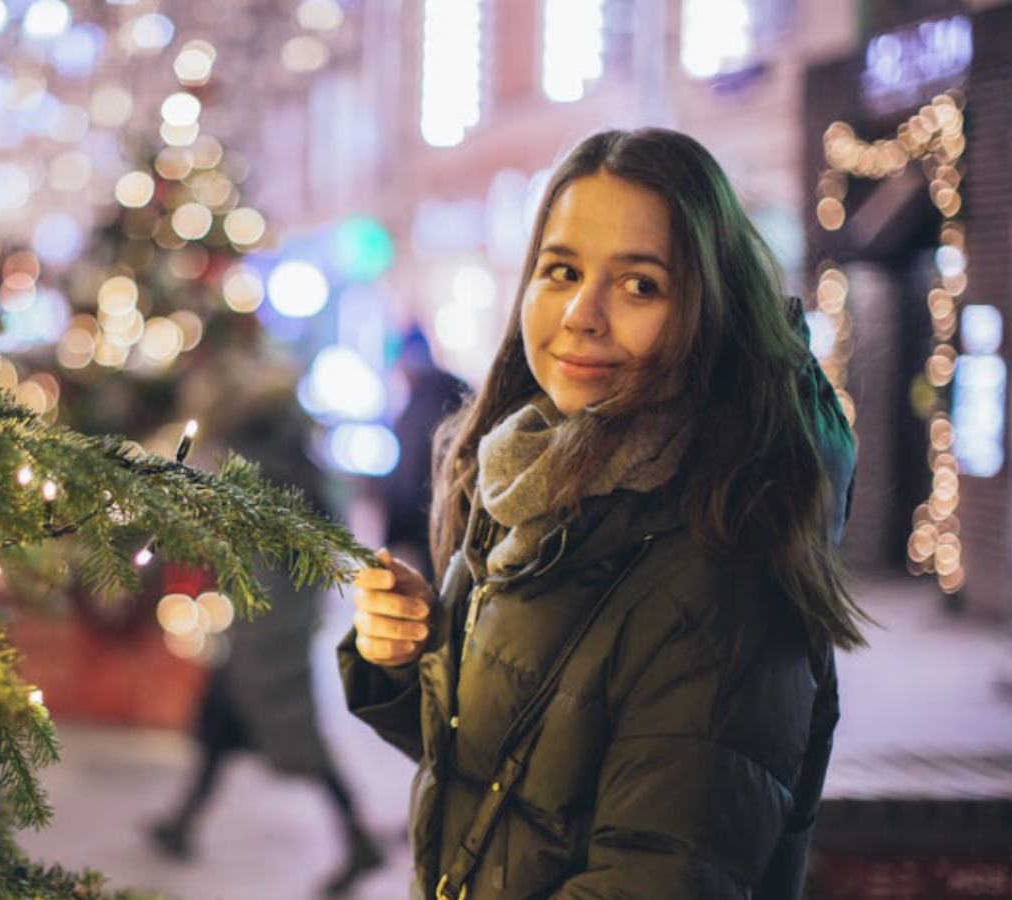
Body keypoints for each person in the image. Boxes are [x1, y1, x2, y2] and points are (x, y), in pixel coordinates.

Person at [339, 128, 870, 899]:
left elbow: (660, 877)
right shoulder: (533, 484)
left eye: (640, 285)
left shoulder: (718, 568)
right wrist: (406, 657)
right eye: (562, 270)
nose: (583, 314)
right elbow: (500, 775)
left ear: (708, 312)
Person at [150, 344, 383, 897]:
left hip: (271, 614)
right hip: (264, 606)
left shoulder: (263, 451)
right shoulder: (280, 443)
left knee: (287, 725)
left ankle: (357, 838)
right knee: (220, 718)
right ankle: (183, 821)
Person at [380, 327, 468, 585]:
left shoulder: (418, 408)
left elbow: (408, 473)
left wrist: (396, 533)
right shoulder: (458, 392)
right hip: (459, 523)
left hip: (428, 523)